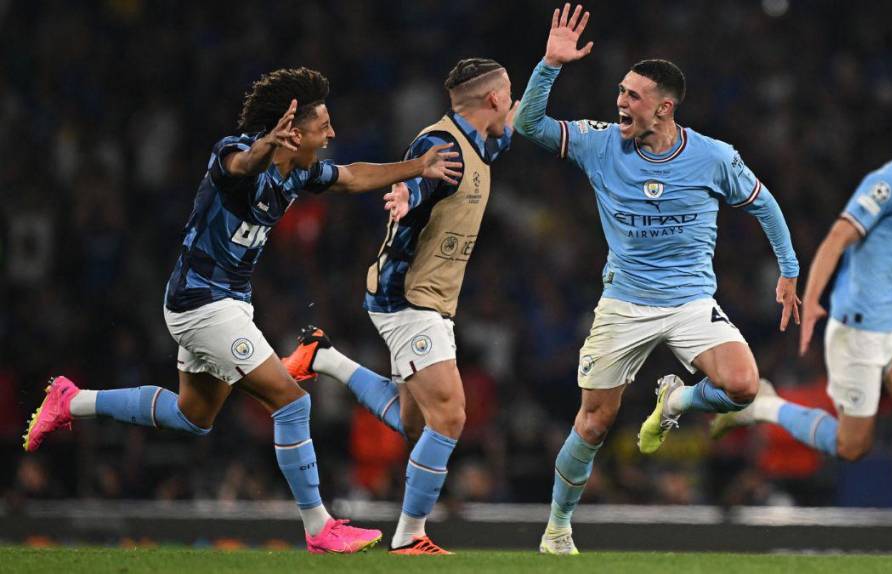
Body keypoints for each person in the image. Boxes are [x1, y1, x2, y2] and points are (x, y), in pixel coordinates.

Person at [22, 67, 462, 554]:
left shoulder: (301, 171)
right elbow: (241, 165)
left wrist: (417, 168)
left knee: (193, 417)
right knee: (293, 402)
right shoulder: (233, 152)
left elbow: (354, 176)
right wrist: (263, 148)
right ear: (293, 132)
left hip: (225, 301)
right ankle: (319, 528)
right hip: (201, 302)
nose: (333, 133)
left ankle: (70, 400)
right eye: (324, 125)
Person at [512, 4, 800, 554]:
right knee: (595, 422)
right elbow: (529, 124)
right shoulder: (601, 143)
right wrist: (550, 64)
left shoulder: (714, 157)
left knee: (742, 386)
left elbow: (765, 206)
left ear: (664, 108)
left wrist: (788, 271)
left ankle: (677, 403)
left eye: (632, 96)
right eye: (620, 92)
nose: (620, 102)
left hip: (691, 301)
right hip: (624, 303)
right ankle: (556, 529)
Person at [711, 98, 892, 557]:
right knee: (853, 446)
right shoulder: (888, 182)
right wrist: (812, 302)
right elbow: (837, 237)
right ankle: (766, 406)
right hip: (857, 330)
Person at [281, 58, 518, 555]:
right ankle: (410, 535)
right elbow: (420, 178)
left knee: (414, 423)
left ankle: (322, 357)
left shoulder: (483, 141)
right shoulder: (441, 144)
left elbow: (524, 118)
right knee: (450, 416)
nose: (513, 104)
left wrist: (552, 65)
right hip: (408, 297)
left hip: (430, 300)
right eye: (509, 94)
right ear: (493, 99)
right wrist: (407, 196)